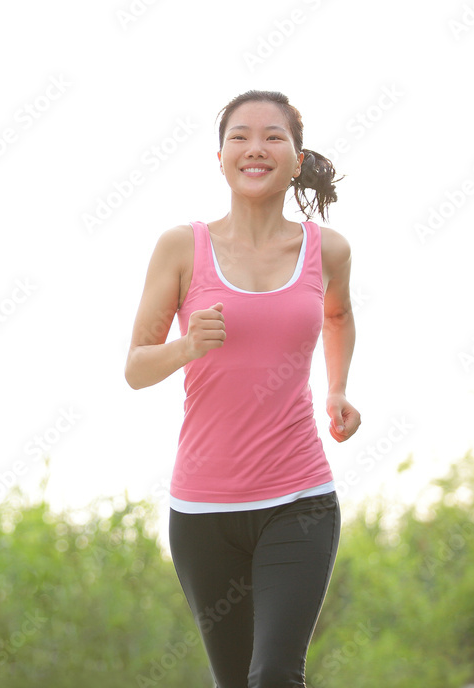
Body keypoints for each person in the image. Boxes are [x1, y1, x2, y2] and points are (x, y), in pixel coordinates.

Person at [123, 89, 361, 688]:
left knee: (276, 675)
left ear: (298, 157)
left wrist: (337, 389)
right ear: (221, 157)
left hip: (299, 499)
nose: (257, 148)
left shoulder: (326, 249)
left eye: (274, 136)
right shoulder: (182, 247)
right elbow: (135, 368)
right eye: (241, 136)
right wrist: (185, 348)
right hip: (204, 509)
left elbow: (337, 316)